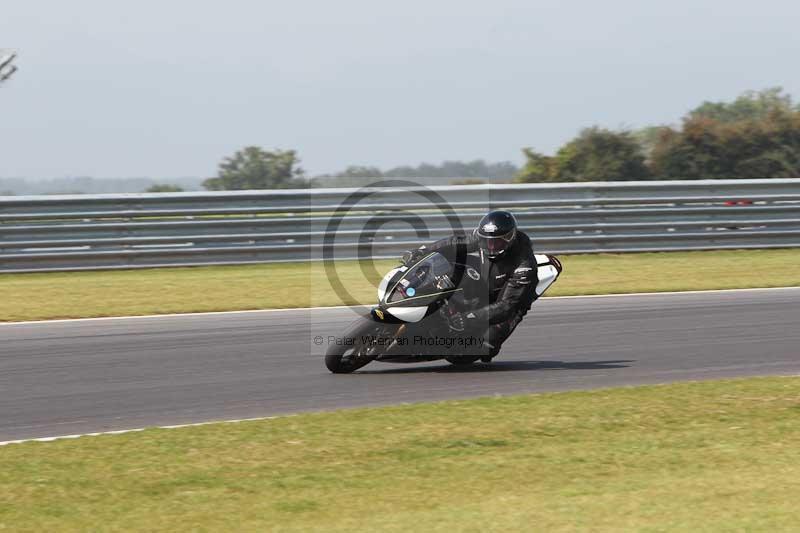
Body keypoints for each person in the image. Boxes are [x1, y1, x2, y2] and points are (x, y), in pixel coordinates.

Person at [401, 210, 538, 362]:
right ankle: (413, 292)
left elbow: (507, 306)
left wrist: (469, 317)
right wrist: (424, 252)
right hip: (487, 279)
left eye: (497, 242)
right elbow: (455, 243)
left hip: (509, 301)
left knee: (483, 347)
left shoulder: (524, 264)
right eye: (487, 241)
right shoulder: (482, 239)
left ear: (509, 239)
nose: (491, 246)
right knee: (450, 262)